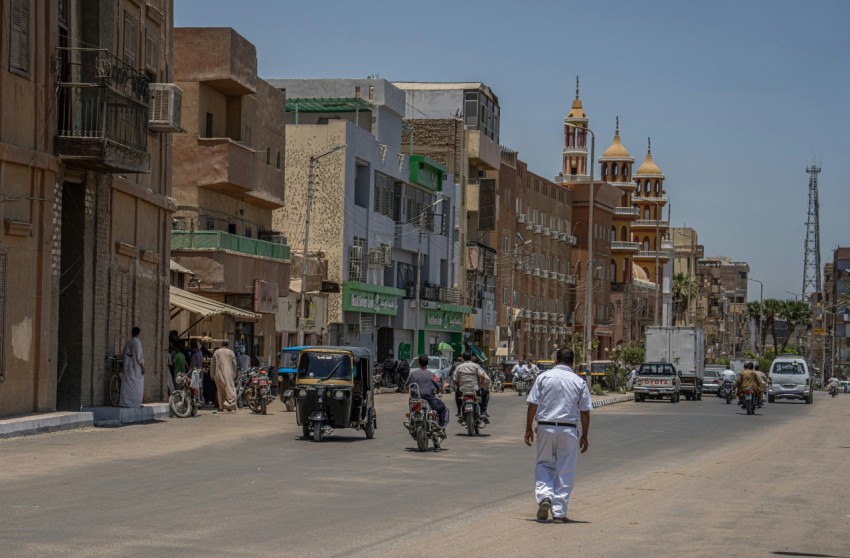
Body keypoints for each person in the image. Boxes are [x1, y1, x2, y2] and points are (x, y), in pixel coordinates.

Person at [524, 347, 591, 523]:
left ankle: (545, 497)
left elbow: (532, 404)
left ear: (556, 361)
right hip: (568, 429)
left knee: (544, 464)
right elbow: (585, 412)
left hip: (545, 427)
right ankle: (559, 513)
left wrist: (528, 428)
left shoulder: (543, 377)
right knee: (565, 470)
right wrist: (584, 435)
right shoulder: (579, 381)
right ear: (573, 362)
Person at [405, 354, 449, 431]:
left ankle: (412, 423)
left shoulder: (413, 374)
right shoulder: (432, 374)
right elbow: (439, 386)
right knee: (442, 409)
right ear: (427, 363)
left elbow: (405, 386)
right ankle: (441, 428)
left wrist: (407, 390)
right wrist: (439, 390)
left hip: (415, 400)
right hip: (429, 399)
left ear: (418, 362)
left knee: (411, 411)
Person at [453, 352, 490, 420]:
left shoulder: (459, 367)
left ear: (462, 358)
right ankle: (483, 411)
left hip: (463, 390)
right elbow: (482, 375)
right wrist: (481, 385)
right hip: (475, 389)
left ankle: (459, 411)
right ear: (470, 358)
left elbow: (455, 379)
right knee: (486, 392)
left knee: (457, 394)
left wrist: (459, 386)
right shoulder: (476, 366)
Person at [119, 326, 146, 408]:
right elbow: (139, 357)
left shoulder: (129, 342)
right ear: (138, 333)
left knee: (127, 385)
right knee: (136, 386)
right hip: (135, 368)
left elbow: (123, 354)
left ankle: (125, 403)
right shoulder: (137, 343)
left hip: (127, 367)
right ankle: (135, 403)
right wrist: (142, 367)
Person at [210, 340, 238, 412]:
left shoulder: (217, 352)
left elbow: (212, 364)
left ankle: (221, 407)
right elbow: (234, 364)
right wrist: (234, 374)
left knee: (220, 391)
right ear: (228, 345)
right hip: (228, 374)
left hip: (218, 373)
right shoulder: (231, 352)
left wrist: (212, 374)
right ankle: (229, 405)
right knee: (230, 390)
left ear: (221, 344)